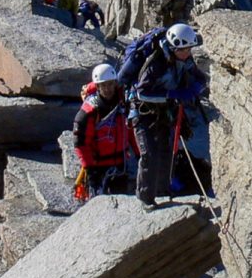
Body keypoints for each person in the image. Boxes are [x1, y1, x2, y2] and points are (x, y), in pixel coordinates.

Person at [132, 22, 206, 206]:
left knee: (166, 152)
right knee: (149, 154)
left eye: (189, 49)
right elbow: (142, 93)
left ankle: (162, 192)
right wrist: (171, 95)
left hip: (165, 114)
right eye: (184, 50)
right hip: (144, 114)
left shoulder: (184, 60)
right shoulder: (155, 64)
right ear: (173, 47)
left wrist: (195, 88)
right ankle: (145, 199)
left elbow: (201, 79)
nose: (188, 53)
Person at [72, 63, 137, 197]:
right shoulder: (89, 112)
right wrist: (90, 170)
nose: (107, 89)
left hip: (121, 165)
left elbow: (130, 131)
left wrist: (139, 153)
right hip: (98, 168)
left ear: (115, 83)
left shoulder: (122, 105)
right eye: (103, 85)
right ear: (97, 87)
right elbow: (81, 143)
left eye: (110, 84)